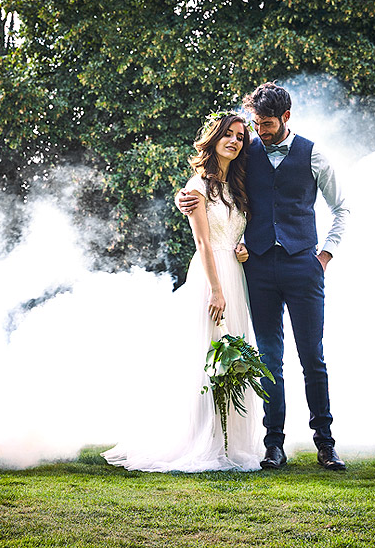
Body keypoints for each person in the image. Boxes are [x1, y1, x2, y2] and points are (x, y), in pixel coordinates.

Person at [177, 82, 349, 471]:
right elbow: (208, 180)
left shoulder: (313, 154)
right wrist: (183, 199)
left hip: (303, 267)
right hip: (256, 271)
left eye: (266, 124)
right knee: (269, 359)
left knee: (312, 357)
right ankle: (274, 445)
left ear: (285, 118)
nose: (259, 131)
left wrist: (324, 255)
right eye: (255, 124)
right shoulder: (246, 151)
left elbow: (343, 208)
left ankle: (326, 443)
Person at [102, 113, 263, 472]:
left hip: (235, 275)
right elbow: (203, 242)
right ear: (215, 138)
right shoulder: (197, 187)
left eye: (240, 137)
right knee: (207, 356)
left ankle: (227, 442)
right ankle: (199, 441)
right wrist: (216, 291)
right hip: (211, 277)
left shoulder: (237, 186)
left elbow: (235, 234)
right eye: (229, 135)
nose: (235, 141)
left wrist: (243, 248)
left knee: (231, 357)